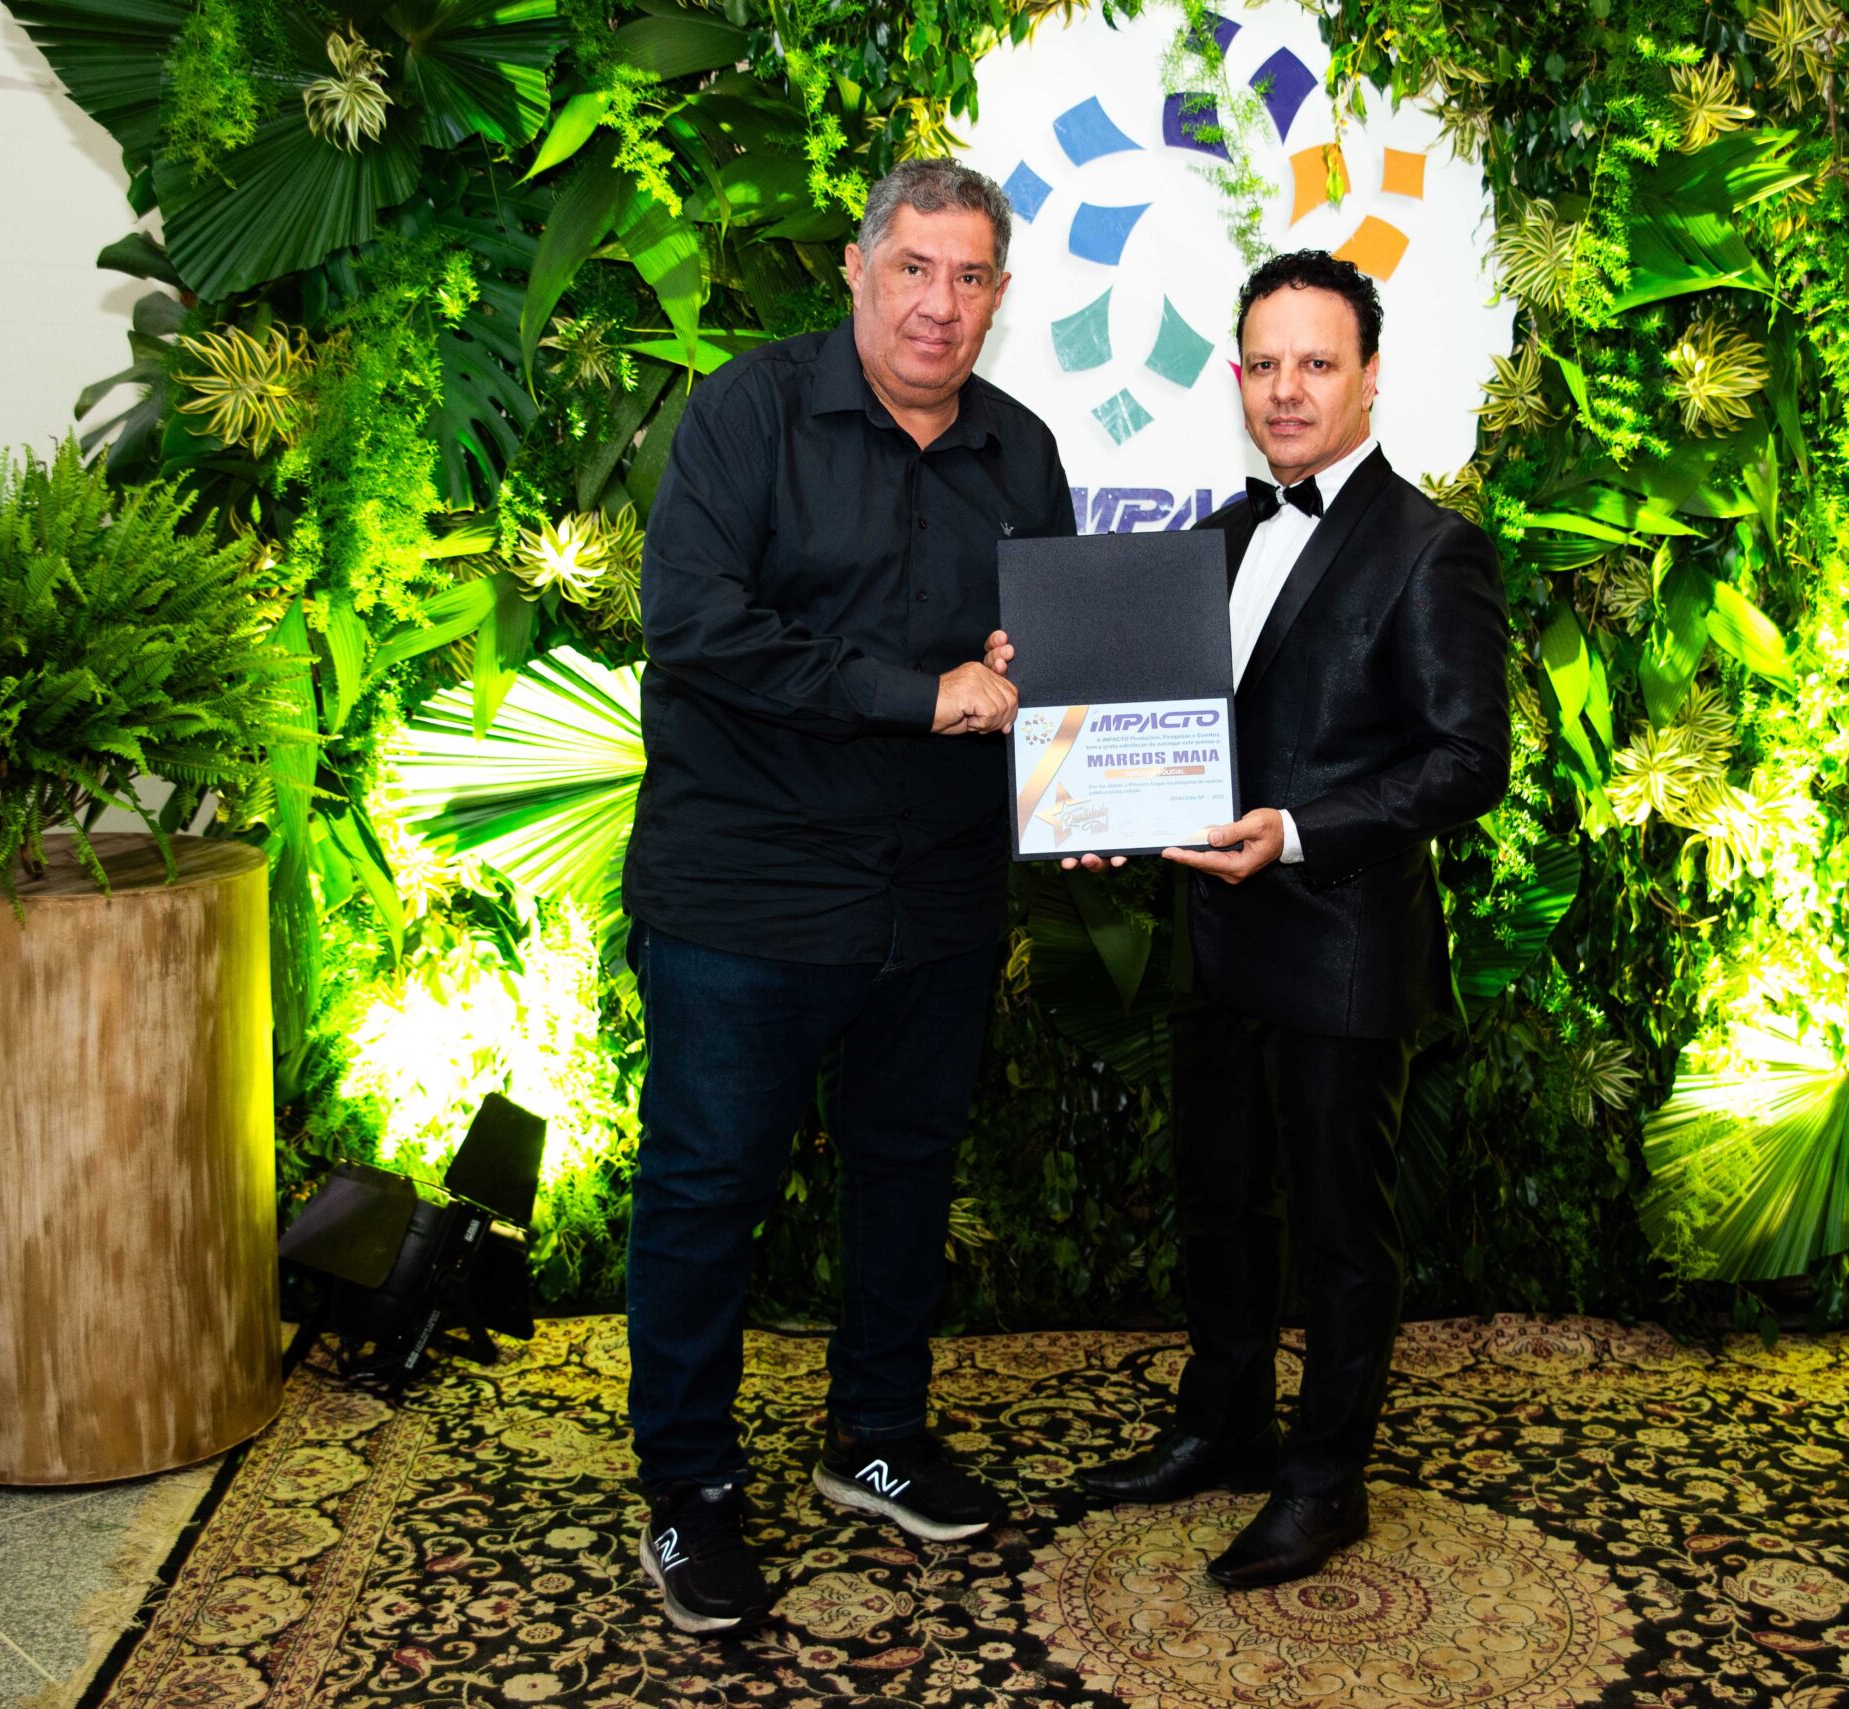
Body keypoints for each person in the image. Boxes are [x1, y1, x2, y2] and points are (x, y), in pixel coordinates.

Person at [996, 250, 1509, 1586]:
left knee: (1341, 1233)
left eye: (1317, 363)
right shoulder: (1213, 541)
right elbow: (1159, 734)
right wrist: (1095, 809)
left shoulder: (1433, 550)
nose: (1287, 390)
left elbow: (1469, 761)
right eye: (1266, 364)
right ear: (1236, 376)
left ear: (1369, 376)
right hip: (1215, 944)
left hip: (1342, 950)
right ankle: (1223, 1424)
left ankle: (1325, 1480)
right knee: (1219, 1206)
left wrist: (1301, 828)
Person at [620, 158, 1075, 1635]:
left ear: (998, 296)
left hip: (935, 894)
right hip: (747, 888)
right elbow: (697, 625)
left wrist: (1090, 776)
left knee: (906, 1172)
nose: (940, 304)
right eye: (914, 269)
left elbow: (1053, 663)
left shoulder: (1022, 451)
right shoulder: (747, 414)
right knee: (707, 1190)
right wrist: (915, 692)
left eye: (971, 277)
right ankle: (689, 1488)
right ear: (858, 268)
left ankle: (874, 1436)